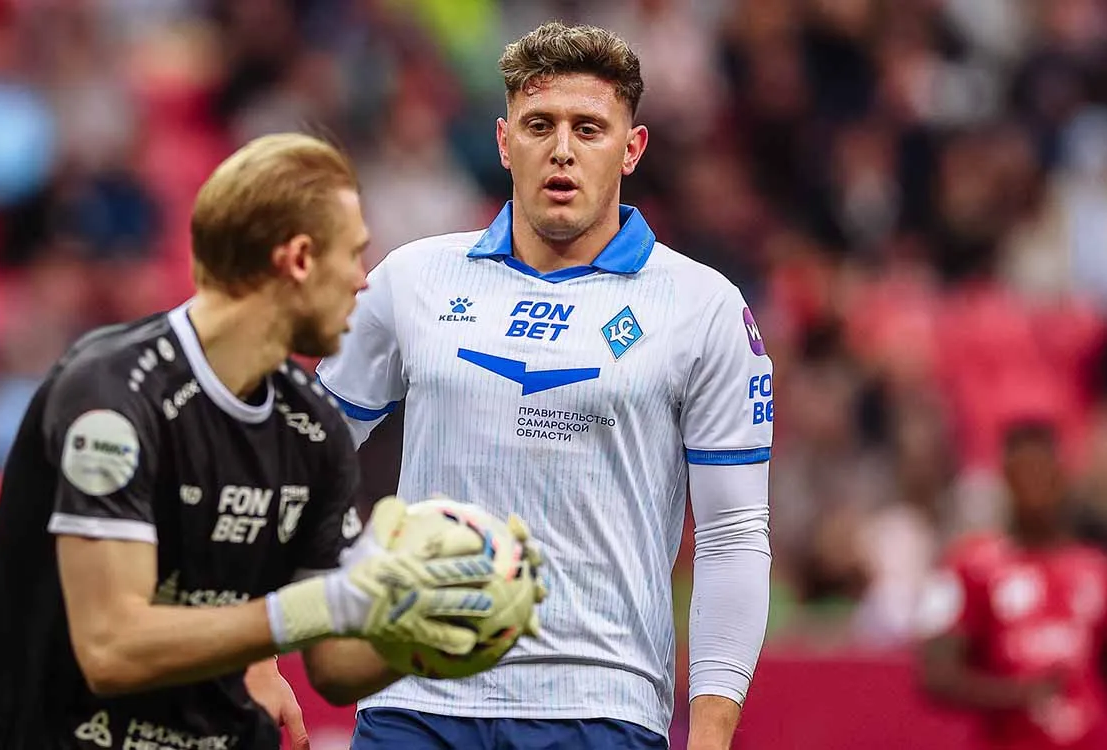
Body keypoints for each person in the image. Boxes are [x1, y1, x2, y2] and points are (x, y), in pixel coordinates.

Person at [0, 133, 534, 750]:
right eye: (353, 255)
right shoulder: (111, 392)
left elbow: (334, 668)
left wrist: (439, 618)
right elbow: (111, 650)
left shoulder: (312, 430)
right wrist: (323, 605)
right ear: (298, 260)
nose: (362, 282)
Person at [316, 21, 774, 750]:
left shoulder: (703, 306)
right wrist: (265, 647)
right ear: (505, 143)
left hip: (601, 704)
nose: (562, 149)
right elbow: (303, 461)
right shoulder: (412, 278)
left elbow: (733, 536)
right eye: (539, 126)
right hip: (415, 696)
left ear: (632, 148)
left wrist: (711, 738)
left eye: (588, 129)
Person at [916, 420, 1107, 750]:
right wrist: (1016, 693)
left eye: (1041, 472)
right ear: (1006, 480)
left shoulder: (1101, 570)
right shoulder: (968, 567)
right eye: (1023, 474)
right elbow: (936, 676)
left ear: (1061, 477)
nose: (1033, 486)